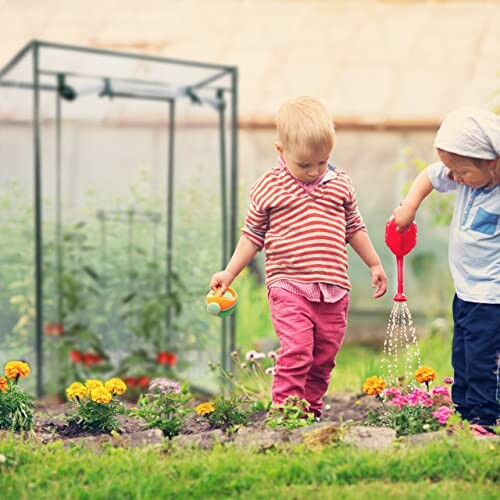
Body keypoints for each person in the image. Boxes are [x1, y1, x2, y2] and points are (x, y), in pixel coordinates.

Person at [210, 96, 387, 418]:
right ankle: (285, 411)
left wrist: (374, 263)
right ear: (281, 151)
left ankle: (310, 410)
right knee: (298, 350)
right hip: (288, 285)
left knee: (323, 356)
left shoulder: (340, 185)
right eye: (304, 165)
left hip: (334, 289)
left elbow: (354, 227)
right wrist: (229, 272)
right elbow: (252, 235)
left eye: (322, 162)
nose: (314, 171)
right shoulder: (269, 187)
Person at [393, 107, 500, 431]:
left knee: (485, 359)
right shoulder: (466, 177)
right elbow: (429, 175)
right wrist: (410, 206)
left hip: (493, 296)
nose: (453, 177)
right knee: (464, 354)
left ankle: (486, 417)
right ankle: (465, 411)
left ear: (493, 163)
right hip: (466, 291)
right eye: (452, 169)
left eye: (462, 171)